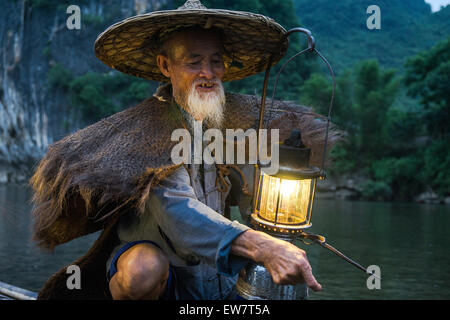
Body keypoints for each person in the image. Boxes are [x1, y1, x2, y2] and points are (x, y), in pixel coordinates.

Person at [30, 0, 338, 300]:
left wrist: (278, 234)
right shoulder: (146, 133)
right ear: (166, 66)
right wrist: (261, 246)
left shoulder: (232, 125)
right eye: (194, 62)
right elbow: (179, 214)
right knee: (143, 269)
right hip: (163, 278)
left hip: (215, 275)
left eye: (216, 61)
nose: (208, 72)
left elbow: (252, 201)